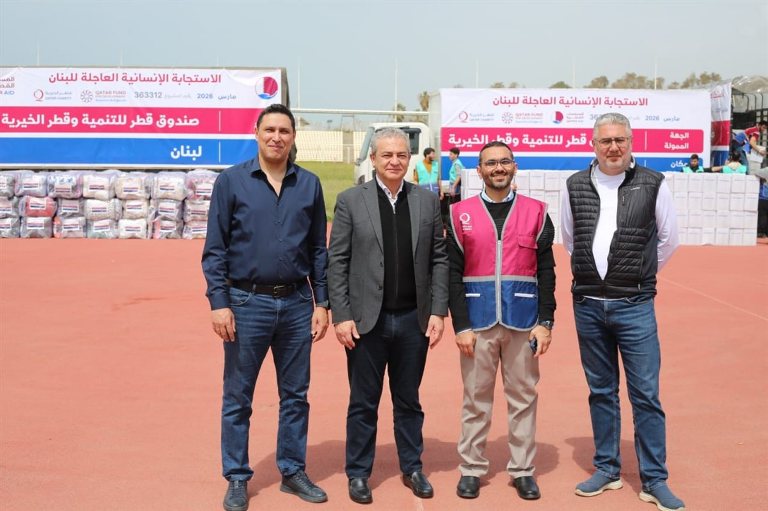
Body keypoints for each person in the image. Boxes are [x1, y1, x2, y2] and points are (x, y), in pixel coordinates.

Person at [202, 103, 330, 511]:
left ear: (293, 138)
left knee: (296, 395)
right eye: (270, 130)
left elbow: (318, 249)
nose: (277, 137)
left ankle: (292, 471)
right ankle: (237, 476)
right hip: (245, 303)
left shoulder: (309, 184)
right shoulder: (231, 182)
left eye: (284, 131)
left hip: (296, 303)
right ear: (257, 133)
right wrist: (219, 302)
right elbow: (215, 248)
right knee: (238, 397)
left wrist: (322, 302)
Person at [560, 113, 684, 511]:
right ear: (593, 144)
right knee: (601, 391)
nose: (613, 147)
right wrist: (595, 277)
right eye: (606, 141)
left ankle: (654, 479)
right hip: (588, 305)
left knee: (645, 394)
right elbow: (570, 239)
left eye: (620, 140)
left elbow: (669, 239)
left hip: (634, 305)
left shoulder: (653, 183)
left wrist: (638, 275)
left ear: (631, 142)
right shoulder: (574, 184)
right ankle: (607, 469)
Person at [328, 127, 449, 504]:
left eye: (401, 155)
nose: (395, 161)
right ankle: (358, 472)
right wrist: (341, 315)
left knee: (408, 400)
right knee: (363, 402)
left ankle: (412, 466)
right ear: (373, 159)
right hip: (367, 323)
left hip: (414, 320)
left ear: (409, 158)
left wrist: (438, 311)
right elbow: (337, 261)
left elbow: (439, 258)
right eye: (387, 155)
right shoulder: (351, 200)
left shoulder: (426, 201)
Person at [447, 141, 556, 501]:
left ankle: (523, 470)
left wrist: (546, 322)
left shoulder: (537, 212)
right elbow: (451, 274)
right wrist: (460, 326)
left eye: (504, 162)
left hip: (523, 321)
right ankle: (471, 468)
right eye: (490, 163)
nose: (498, 168)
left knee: (523, 398)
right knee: (475, 399)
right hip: (476, 323)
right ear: (479, 170)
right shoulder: (458, 213)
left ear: (514, 167)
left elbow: (547, 271)